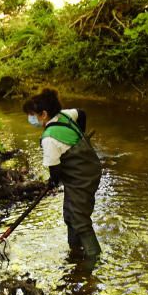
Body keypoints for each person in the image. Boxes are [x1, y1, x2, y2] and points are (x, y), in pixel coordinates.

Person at [23, 88, 103, 260]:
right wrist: (80, 135)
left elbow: (55, 171)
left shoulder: (49, 138)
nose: (31, 119)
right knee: (69, 213)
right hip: (89, 168)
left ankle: (93, 259)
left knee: (79, 217)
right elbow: (82, 114)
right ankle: (75, 251)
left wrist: (52, 182)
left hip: (81, 177)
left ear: (43, 114)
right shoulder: (65, 115)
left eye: (32, 115)